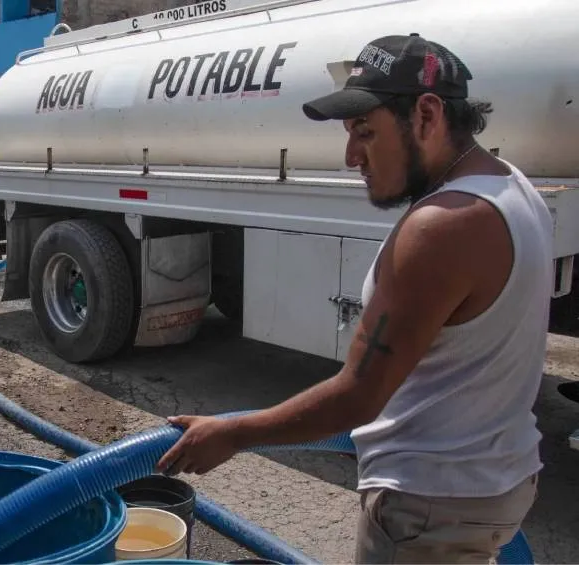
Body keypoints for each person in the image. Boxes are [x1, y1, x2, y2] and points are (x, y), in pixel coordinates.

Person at [156, 33, 552, 563]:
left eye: (365, 132)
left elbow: (359, 396)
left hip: (429, 503)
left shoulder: (442, 227)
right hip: (488, 481)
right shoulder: (511, 186)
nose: (349, 157)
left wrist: (231, 432)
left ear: (427, 116)